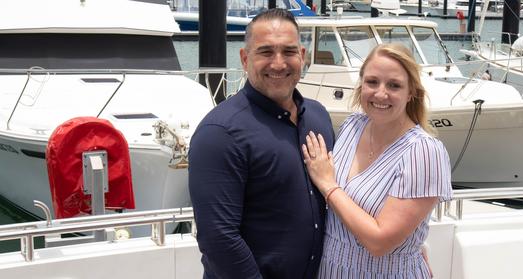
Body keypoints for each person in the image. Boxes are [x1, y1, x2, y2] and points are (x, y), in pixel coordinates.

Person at [188, 8, 335, 279]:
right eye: (266, 52)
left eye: (289, 52)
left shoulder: (318, 117)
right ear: (245, 59)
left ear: (302, 56)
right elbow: (219, 240)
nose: (278, 63)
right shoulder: (220, 133)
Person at [302, 43, 452, 278]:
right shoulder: (353, 126)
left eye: (394, 85)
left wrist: (328, 185)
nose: (381, 94)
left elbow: (379, 242)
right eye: (372, 82)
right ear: (361, 84)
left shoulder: (423, 152)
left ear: (411, 91)